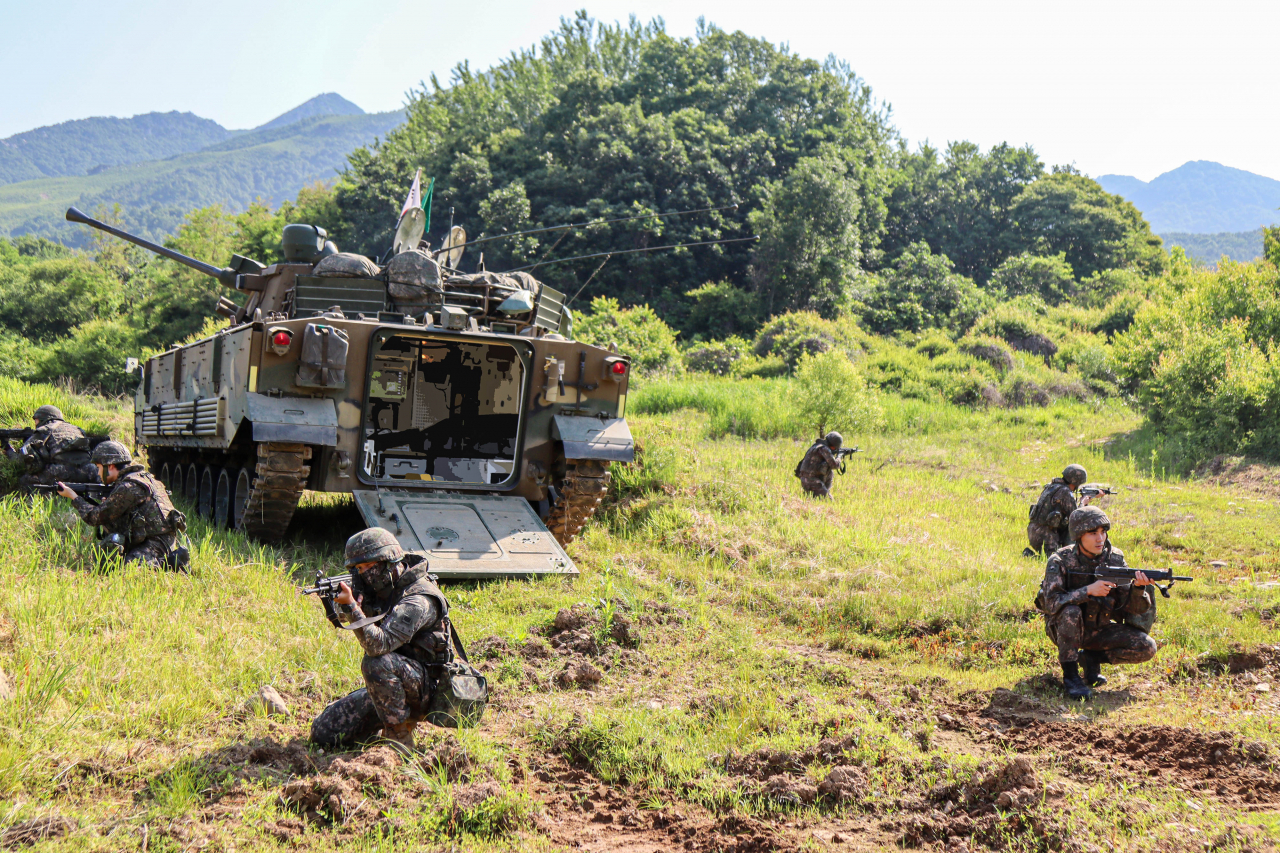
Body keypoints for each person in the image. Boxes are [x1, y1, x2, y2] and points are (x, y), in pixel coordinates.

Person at [310, 528, 451, 749]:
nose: (364, 573)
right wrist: (345, 605)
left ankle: (400, 742)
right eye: (358, 569)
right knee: (324, 731)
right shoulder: (384, 587)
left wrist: (353, 608)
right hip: (394, 683)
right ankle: (376, 727)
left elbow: (378, 645)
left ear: (389, 561)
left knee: (376, 662)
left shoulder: (418, 599)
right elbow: (348, 615)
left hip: (430, 688)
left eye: (368, 566)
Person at [1037, 506, 1157, 700]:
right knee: (1071, 612)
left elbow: (1134, 609)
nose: (1100, 539)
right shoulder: (1060, 561)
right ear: (1078, 536)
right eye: (1093, 533)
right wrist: (1087, 591)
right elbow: (1050, 604)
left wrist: (1138, 588)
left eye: (1103, 532)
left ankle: (1091, 658)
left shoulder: (1115, 558)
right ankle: (1071, 676)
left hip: (1099, 628)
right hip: (1064, 629)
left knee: (1147, 647)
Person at [56, 441, 186, 569]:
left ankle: (172, 563)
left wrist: (74, 497)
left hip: (156, 542)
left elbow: (94, 517)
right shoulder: (144, 478)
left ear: (110, 466)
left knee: (130, 570)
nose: (97, 473)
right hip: (156, 539)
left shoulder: (128, 487)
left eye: (99, 467)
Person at [2, 405, 99, 494]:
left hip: (62, 474)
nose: (35, 423)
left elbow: (23, 462)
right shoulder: (77, 429)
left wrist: (9, 449)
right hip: (88, 472)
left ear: (43, 419)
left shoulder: (44, 430)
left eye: (36, 420)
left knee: (24, 480)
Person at [1024, 463, 1088, 556]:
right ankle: (1029, 555)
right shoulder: (1065, 492)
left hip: (1034, 532)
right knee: (1060, 559)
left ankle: (1031, 554)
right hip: (1047, 537)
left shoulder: (1051, 486)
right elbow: (1076, 517)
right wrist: (1083, 502)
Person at [795, 431, 844, 498]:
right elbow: (834, 465)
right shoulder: (824, 449)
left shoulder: (817, 446)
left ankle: (819, 492)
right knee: (829, 501)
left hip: (806, 479)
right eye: (834, 448)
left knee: (828, 469)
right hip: (811, 481)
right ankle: (817, 493)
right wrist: (839, 457)